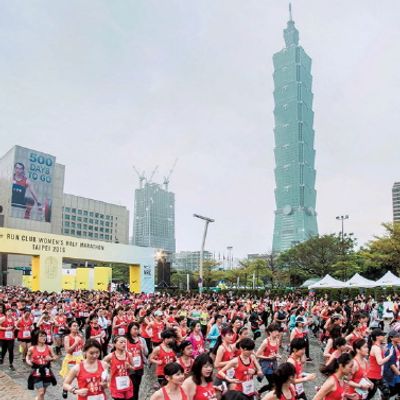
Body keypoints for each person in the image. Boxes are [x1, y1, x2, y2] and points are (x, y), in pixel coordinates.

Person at [26, 330, 57, 400]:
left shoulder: (49, 347)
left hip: (46, 371)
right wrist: (28, 362)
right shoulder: (32, 348)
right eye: (41, 336)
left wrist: (51, 358)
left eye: (44, 336)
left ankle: (37, 398)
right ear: (36, 338)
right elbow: (27, 356)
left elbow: (55, 357)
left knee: (42, 392)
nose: (44, 337)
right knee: (41, 392)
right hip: (36, 372)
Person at [103, 336, 134, 400]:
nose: (123, 344)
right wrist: (107, 370)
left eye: (125, 342)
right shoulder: (110, 356)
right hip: (116, 386)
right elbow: (101, 365)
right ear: (114, 344)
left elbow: (133, 369)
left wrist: (129, 367)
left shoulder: (129, 355)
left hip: (127, 384)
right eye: (121, 342)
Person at [366, 329, 392, 400]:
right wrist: (389, 356)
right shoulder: (376, 348)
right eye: (382, 335)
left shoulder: (377, 346)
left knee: (385, 392)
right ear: (377, 337)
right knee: (369, 395)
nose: (384, 337)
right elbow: (380, 362)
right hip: (373, 376)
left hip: (377, 375)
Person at [257, 323, 281, 393]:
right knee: (273, 383)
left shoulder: (277, 340)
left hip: (274, 364)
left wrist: (278, 356)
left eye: (278, 331)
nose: (277, 333)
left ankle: (260, 392)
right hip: (266, 365)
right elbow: (257, 355)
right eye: (275, 331)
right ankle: (261, 392)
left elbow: (277, 352)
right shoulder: (265, 342)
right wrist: (268, 357)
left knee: (274, 383)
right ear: (270, 332)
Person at [126, 321, 148, 400]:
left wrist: (143, 348)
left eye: (137, 329)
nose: (136, 331)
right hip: (130, 367)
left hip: (139, 367)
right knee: (132, 385)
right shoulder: (125, 340)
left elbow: (146, 353)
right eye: (134, 329)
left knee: (137, 386)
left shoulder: (142, 340)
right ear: (129, 330)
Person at [0, 305, 17, 370]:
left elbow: (15, 326)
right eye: (8, 311)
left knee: (10, 350)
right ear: (6, 312)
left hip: (10, 338)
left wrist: (13, 330)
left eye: (11, 311)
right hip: (2, 338)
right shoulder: (3, 318)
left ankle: (11, 364)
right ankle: (1, 358)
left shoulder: (13, 319)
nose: (10, 313)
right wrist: (5, 328)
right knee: (2, 350)